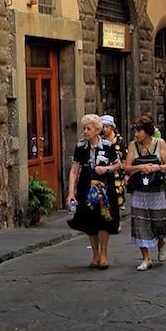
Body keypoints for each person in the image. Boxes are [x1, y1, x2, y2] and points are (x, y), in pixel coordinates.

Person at [66, 114, 121, 269]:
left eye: (88, 129)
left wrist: (106, 168)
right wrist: (71, 193)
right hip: (86, 188)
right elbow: (74, 171)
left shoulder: (108, 146)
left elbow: (118, 165)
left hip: (104, 187)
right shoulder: (80, 147)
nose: (85, 132)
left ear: (97, 130)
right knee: (90, 221)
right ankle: (95, 255)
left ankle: (103, 254)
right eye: (84, 128)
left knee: (104, 221)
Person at [124, 114, 166, 270]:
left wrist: (155, 167)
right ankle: (146, 258)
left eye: (139, 131)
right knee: (140, 222)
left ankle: (161, 243)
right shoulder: (133, 145)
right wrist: (139, 168)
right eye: (135, 131)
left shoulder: (160, 143)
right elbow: (126, 167)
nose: (137, 134)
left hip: (156, 188)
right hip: (139, 189)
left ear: (147, 131)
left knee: (158, 220)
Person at [100, 115, 127, 211]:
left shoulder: (119, 140)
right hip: (105, 169)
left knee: (118, 188)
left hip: (118, 169)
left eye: (107, 127)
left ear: (112, 127)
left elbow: (124, 155)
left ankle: (119, 205)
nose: (105, 129)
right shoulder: (101, 140)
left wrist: (125, 172)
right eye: (103, 127)